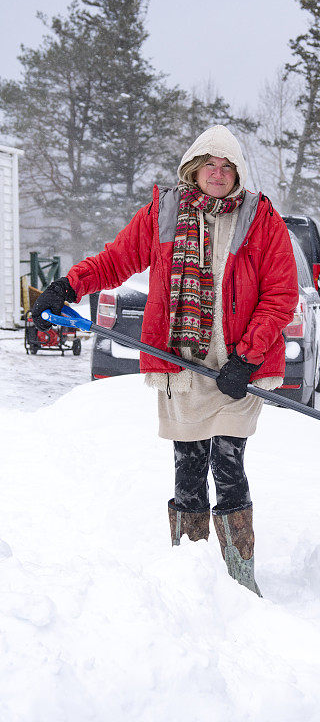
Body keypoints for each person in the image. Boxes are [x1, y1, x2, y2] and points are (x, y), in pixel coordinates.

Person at [31, 125, 299, 596]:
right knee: (189, 465)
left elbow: (280, 295)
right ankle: (192, 582)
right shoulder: (166, 211)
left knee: (230, 466)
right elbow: (117, 258)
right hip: (183, 362)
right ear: (193, 168)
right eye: (209, 165)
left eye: (227, 166)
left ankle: (240, 578)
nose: (217, 174)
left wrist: (247, 357)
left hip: (237, 365)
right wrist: (69, 285)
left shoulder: (261, 219)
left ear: (237, 173)